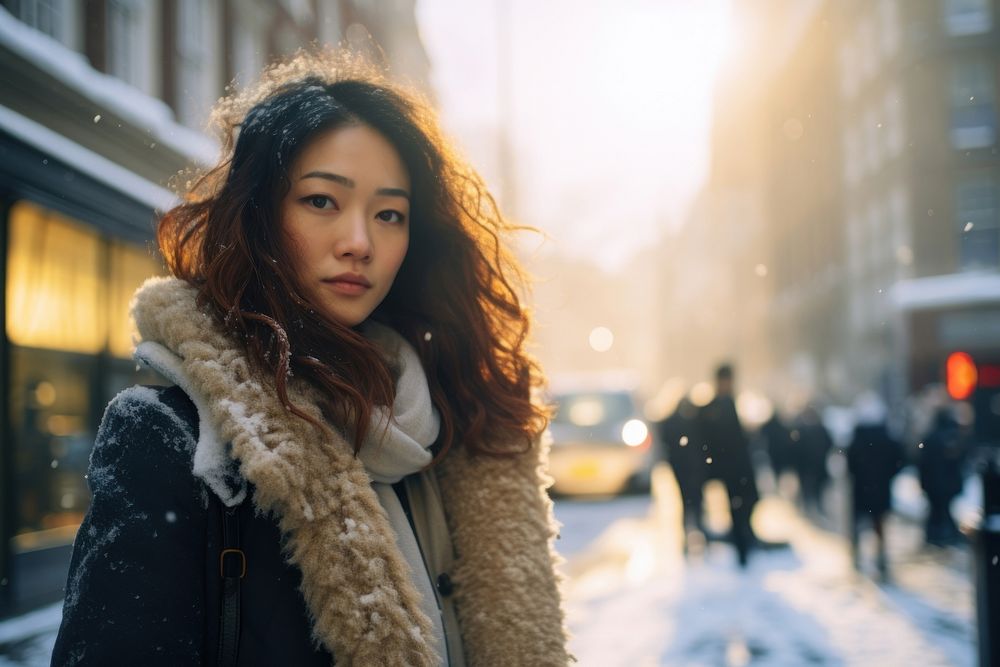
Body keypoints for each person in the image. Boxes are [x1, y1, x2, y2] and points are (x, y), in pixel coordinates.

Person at [51, 51, 568, 666]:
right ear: (261, 215)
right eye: (322, 201)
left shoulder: (454, 432)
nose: (359, 242)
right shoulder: (174, 442)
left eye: (389, 214)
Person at [696, 363, 760, 567]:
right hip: (732, 469)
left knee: (746, 505)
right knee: (739, 508)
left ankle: (744, 545)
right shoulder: (717, 406)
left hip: (738, 468)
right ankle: (742, 550)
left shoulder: (728, 403)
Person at [846, 391, 904, 579]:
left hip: (861, 489)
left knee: (858, 525)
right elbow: (899, 460)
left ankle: (856, 556)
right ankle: (881, 558)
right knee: (879, 525)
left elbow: (850, 463)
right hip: (880, 489)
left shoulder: (857, 437)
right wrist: (887, 476)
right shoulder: (886, 437)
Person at [658, 395, 705, 553]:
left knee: (689, 502)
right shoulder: (691, 422)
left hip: (686, 469)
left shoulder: (673, 423)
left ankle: (692, 534)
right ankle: (696, 532)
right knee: (693, 502)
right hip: (690, 469)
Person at [917, 405, 968, 547]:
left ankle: (937, 535)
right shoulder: (954, 437)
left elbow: (922, 462)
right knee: (942, 509)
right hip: (948, 483)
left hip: (934, 483)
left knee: (937, 510)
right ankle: (946, 535)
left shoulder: (931, 438)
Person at [793, 404, 834, 516]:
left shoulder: (806, 430)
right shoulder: (804, 430)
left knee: (814, 489)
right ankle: (810, 510)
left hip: (813, 466)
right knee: (810, 489)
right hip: (810, 466)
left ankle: (814, 509)